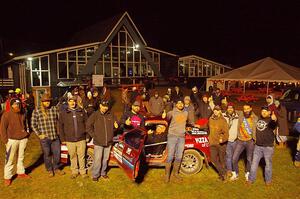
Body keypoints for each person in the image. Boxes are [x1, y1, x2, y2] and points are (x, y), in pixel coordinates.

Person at [31, 94, 65, 177]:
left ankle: (56, 167)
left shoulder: (54, 109)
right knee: (47, 154)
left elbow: (60, 120)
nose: (47, 103)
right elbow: (33, 124)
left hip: (54, 136)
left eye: (48, 101)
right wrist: (39, 134)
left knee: (57, 153)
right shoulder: (37, 111)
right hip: (45, 138)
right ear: (42, 102)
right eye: (45, 101)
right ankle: (49, 169)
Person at [0, 99, 31, 186]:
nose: (17, 105)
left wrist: (27, 134)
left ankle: (20, 172)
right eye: (14, 104)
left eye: (18, 104)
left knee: (21, 157)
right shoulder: (6, 114)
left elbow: (27, 124)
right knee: (9, 159)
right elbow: (2, 129)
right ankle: (7, 177)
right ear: (11, 105)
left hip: (23, 139)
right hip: (12, 140)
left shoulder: (23, 113)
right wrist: (5, 140)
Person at [164, 98, 195, 183]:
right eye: (179, 103)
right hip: (172, 136)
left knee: (179, 156)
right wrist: (164, 115)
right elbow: (166, 118)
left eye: (182, 103)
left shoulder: (186, 113)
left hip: (181, 137)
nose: (181, 104)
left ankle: (175, 174)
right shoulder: (171, 113)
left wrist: (193, 125)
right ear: (176, 105)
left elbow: (188, 122)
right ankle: (167, 175)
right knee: (170, 156)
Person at [86, 100, 118, 181]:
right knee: (98, 159)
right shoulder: (95, 114)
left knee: (105, 159)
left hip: (108, 142)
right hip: (98, 142)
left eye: (106, 106)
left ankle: (103, 173)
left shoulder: (111, 114)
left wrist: (116, 125)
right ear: (100, 106)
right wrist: (94, 136)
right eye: (103, 106)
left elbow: (116, 125)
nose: (105, 108)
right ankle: (95, 175)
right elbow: (88, 126)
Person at [58, 96, 89, 179]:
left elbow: (87, 124)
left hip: (81, 138)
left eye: (74, 101)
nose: (72, 103)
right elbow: (60, 126)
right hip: (69, 139)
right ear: (68, 102)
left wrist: (87, 136)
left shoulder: (81, 111)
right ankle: (74, 171)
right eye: (70, 101)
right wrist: (63, 139)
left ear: (76, 102)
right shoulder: (63, 113)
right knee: (72, 156)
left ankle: (83, 172)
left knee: (82, 156)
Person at [247, 106, 277, 186]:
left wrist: (274, 120)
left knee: (268, 165)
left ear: (269, 112)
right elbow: (250, 114)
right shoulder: (258, 119)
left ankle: (268, 180)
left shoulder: (271, 120)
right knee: (254, 164)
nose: (264, 112)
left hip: (268, 147)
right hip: (258, 146)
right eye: (262, 111)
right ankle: (251, 179)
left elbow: (273, 125)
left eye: (266, 111)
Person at [231, 104, 258, 181]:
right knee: (234, 158)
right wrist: (225, 104)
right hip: (240, 141)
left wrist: (255, 139)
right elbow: (231, 110)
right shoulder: (240, 114)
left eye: (247, 108)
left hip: (250, 141)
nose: (246, 110)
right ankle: (235, 174)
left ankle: (247, 173)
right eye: (244, 109)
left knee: (249, 159)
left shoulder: (255, 118)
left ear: (251, 108)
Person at [209, 105, 229, 181]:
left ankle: (222, 176)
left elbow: (226, 133)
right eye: (214, 110)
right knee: (213, 159)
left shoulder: (223, 120)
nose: (215, 111)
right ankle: (224, 173)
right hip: (212, 143)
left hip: (221, 144)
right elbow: (207, 127)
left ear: (220, 111)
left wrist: (222, 139)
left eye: (217, 110)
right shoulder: (211, 119)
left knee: (222, 160)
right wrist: (198, 125)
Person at [222, 102, 239, 178]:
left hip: (236, 140)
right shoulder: (223, 116)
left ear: (233, 109)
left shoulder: (238, 116)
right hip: (227, 140)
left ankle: (235, 171)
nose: (230, 109)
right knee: (228, 156)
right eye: (229, 108)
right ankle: (229, 170)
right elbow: (215, 111)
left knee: (234, 157)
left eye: (231, 108)